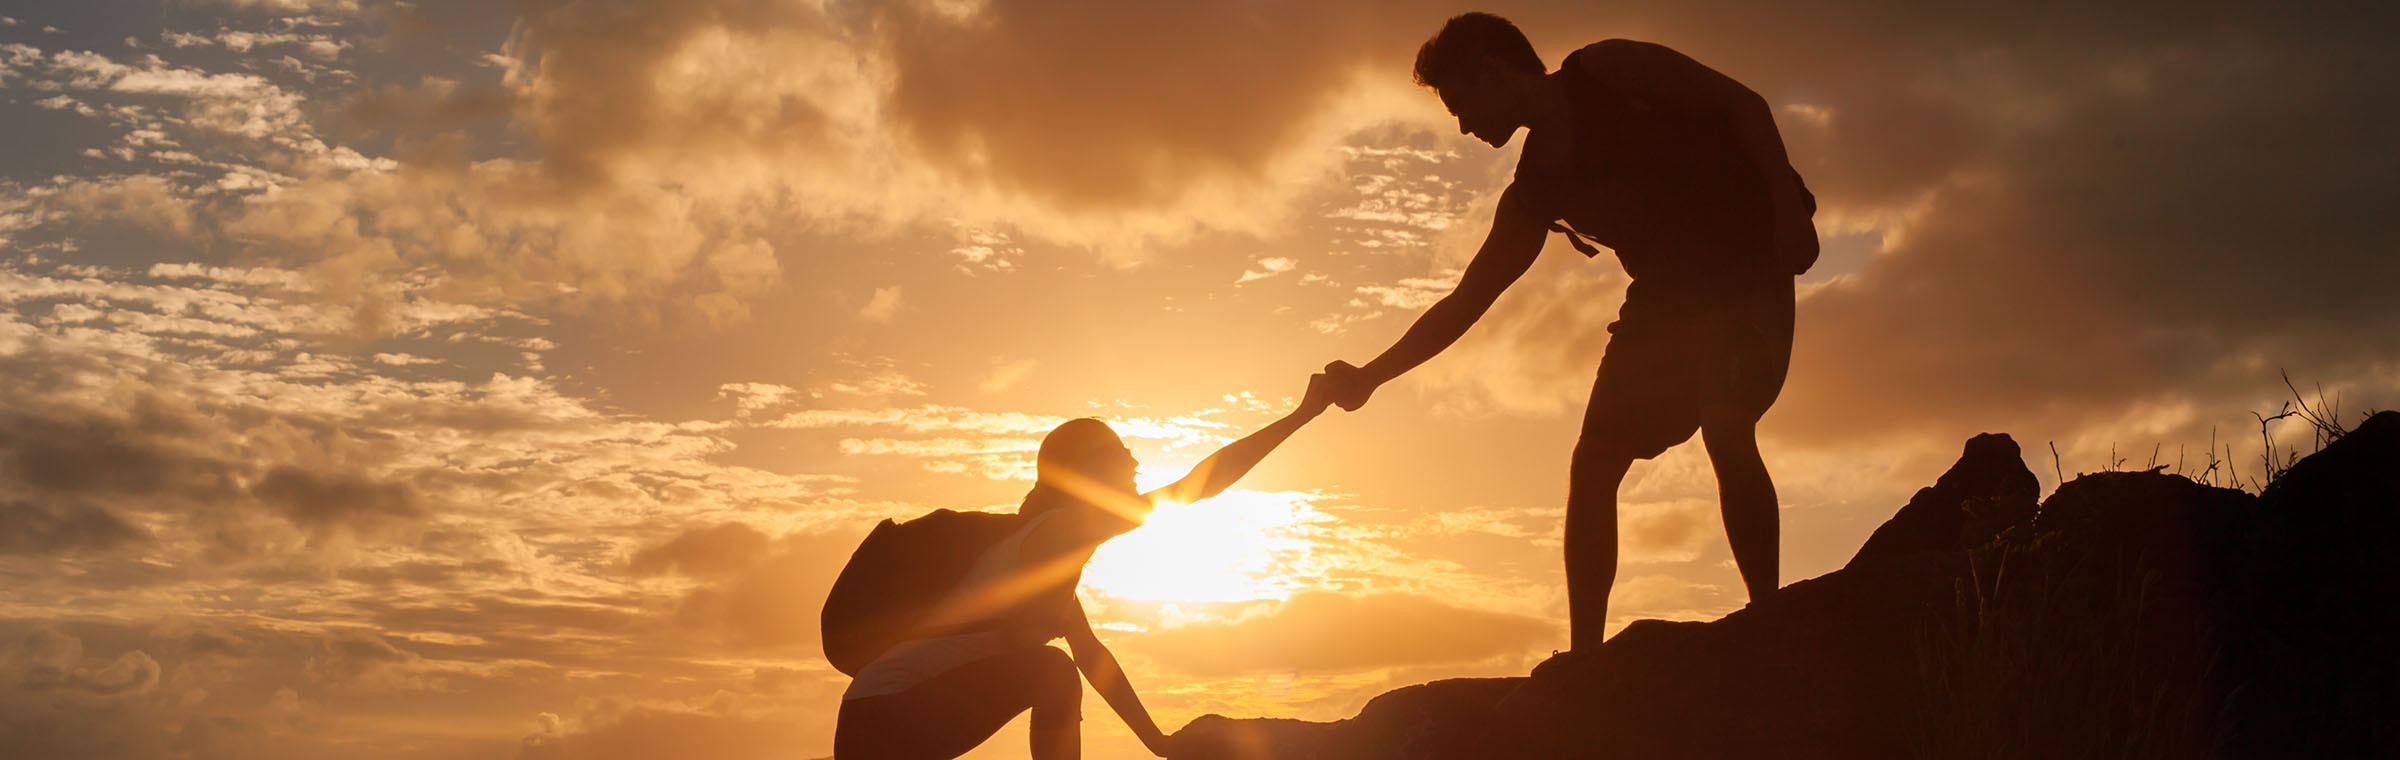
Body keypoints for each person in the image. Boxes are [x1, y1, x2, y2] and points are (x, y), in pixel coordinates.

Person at [1319, 13, 1818, 651]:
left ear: (1494, 71)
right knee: (1594, 464)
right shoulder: (1535, 191)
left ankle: (1769, 623)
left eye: (1462, 104)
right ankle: (1587, 662)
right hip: (1666, 301)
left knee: (1724, 420)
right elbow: (1467, 300)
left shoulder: (1610, 70)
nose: (1465, 126)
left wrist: (1784, 201)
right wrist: (1369, 377)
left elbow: (1739, 102)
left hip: (1747, 262)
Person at [834, 375, 1337, 759]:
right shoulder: (1058, 531)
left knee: (1057, 669)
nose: (1136, 464)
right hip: (884, 715)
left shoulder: (1050, 575)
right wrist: (1303, 414)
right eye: (1122, 454)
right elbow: (1195, 486)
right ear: (1087, 474)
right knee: (1051, 670)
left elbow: (1096, 662)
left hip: (884, 717)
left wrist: (1157, 743)